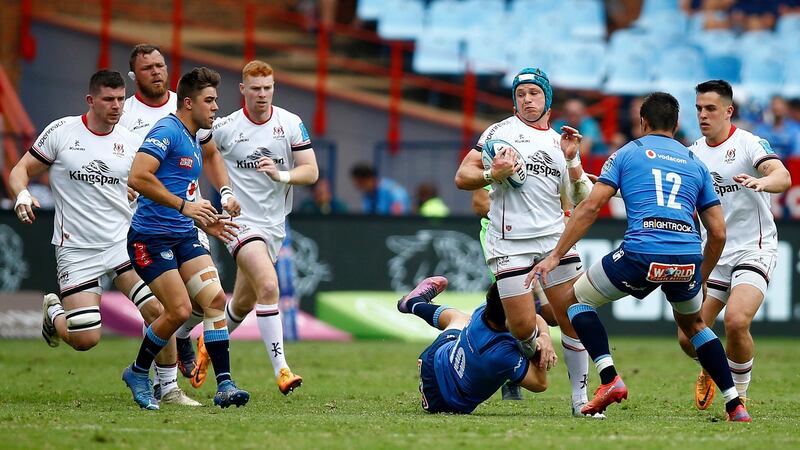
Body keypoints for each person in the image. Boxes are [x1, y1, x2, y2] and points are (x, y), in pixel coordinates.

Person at [528, 92, 751, 422]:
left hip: (642, 253)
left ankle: (610, 380)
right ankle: (735, 403)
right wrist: (700, 275)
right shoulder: (695, 163)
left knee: (576, 303)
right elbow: (717, 232)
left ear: (643, 123)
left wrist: (554, 255)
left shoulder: (626, 154)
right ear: (676, 126)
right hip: (687, 257)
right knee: (695, 324)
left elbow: (590, 207)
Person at [8, 70, 201, 405]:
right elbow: (19, 170)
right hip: (76, 248)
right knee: (86, 340)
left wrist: (139, 192)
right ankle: (54, 313)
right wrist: (22, 195)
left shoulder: (130, 142)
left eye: (120, 100)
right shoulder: (61, 132)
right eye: (108, 99)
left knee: (161, 309)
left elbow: (148, 182)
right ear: (90, 100)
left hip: (122, 243)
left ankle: (167, 387)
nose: (116, 106)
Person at [455, 67, 599, 418]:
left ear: (547, 98)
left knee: (571, 318)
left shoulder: (560, 140)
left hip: (554, 240)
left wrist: (572, 160)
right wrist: (493, 174)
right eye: (521, 94)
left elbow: (580, 197)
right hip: (510, 243)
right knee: (520, 326)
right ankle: (532, 351)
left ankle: (581, 400)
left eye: (534, 93)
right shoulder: (499, 133)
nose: (527, 99)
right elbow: (462, 177)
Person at [186, 60, 317, 395]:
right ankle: (283, 370)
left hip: (273, 225)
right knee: (269, 287)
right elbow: (202, 154)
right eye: (255, 89)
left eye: (268, 88)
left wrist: (280, 174)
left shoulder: (289, 123)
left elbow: (311, 172)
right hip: (239, 223)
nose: (262, 95)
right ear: (242, 90)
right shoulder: (225, 127)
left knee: (242, 303)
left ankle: (206, 342)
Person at [123, 67, 249, 410]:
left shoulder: (195, 136)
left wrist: (205, 218)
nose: (215, 108)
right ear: (189, 102)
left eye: (216, 101)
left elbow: (185, 187)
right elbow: (137, 176)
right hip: (150, 239)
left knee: (213, 300)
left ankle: (225, 385)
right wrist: (185, 206)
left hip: (182, 235)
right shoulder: (167, 129)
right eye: (209, 101)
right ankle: (137, 372)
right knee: (178, 310)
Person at [677, 80, 791, 411]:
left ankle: (738, 394)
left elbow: (782, 176)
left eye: (710, 108)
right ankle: (712, 369)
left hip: (754, 248)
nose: (702, 114)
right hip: (714, 253)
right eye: (698, 108)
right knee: (687, 338)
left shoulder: (748, 144)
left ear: (728, 111)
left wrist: (762, 181)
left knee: (737, 321)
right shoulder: (693, 153)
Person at [397, 276, 557, 414]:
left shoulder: (484, 310)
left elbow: (534, 318)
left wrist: (544, 336)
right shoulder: (500, 355)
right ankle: (413, 302)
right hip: (444, 400)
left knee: (459, 318)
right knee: (459, 320)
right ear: (510, 317)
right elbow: (540, 384)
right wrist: (539, 352)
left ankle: (413, 303)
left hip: (440, 358)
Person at [471, 186, 557, 402]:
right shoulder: (498, 157)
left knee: (552, 314)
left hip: (543, 236)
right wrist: (521, 217)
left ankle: (535, 348)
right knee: (511, 310)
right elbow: (480, 203)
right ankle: (511, 375)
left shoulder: (545, 158)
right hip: (504, 243)